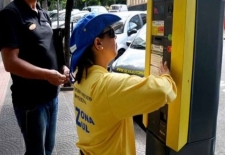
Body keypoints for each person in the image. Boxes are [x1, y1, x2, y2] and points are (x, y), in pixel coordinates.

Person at [69, 12, 177, 155]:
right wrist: (166, 78)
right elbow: (162, 91)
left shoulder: (81, 79)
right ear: (98, 43)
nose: (116, 37)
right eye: (112, 33)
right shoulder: (106, 86)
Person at [0, 0, 69, 155]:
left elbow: (49, 48)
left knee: (48, 149)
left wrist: (62, 67)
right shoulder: (10, 15)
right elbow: (10, 63)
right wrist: (47, 75)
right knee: (36, 152)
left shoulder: (42, 14)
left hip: (52, 97)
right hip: (31, 103)